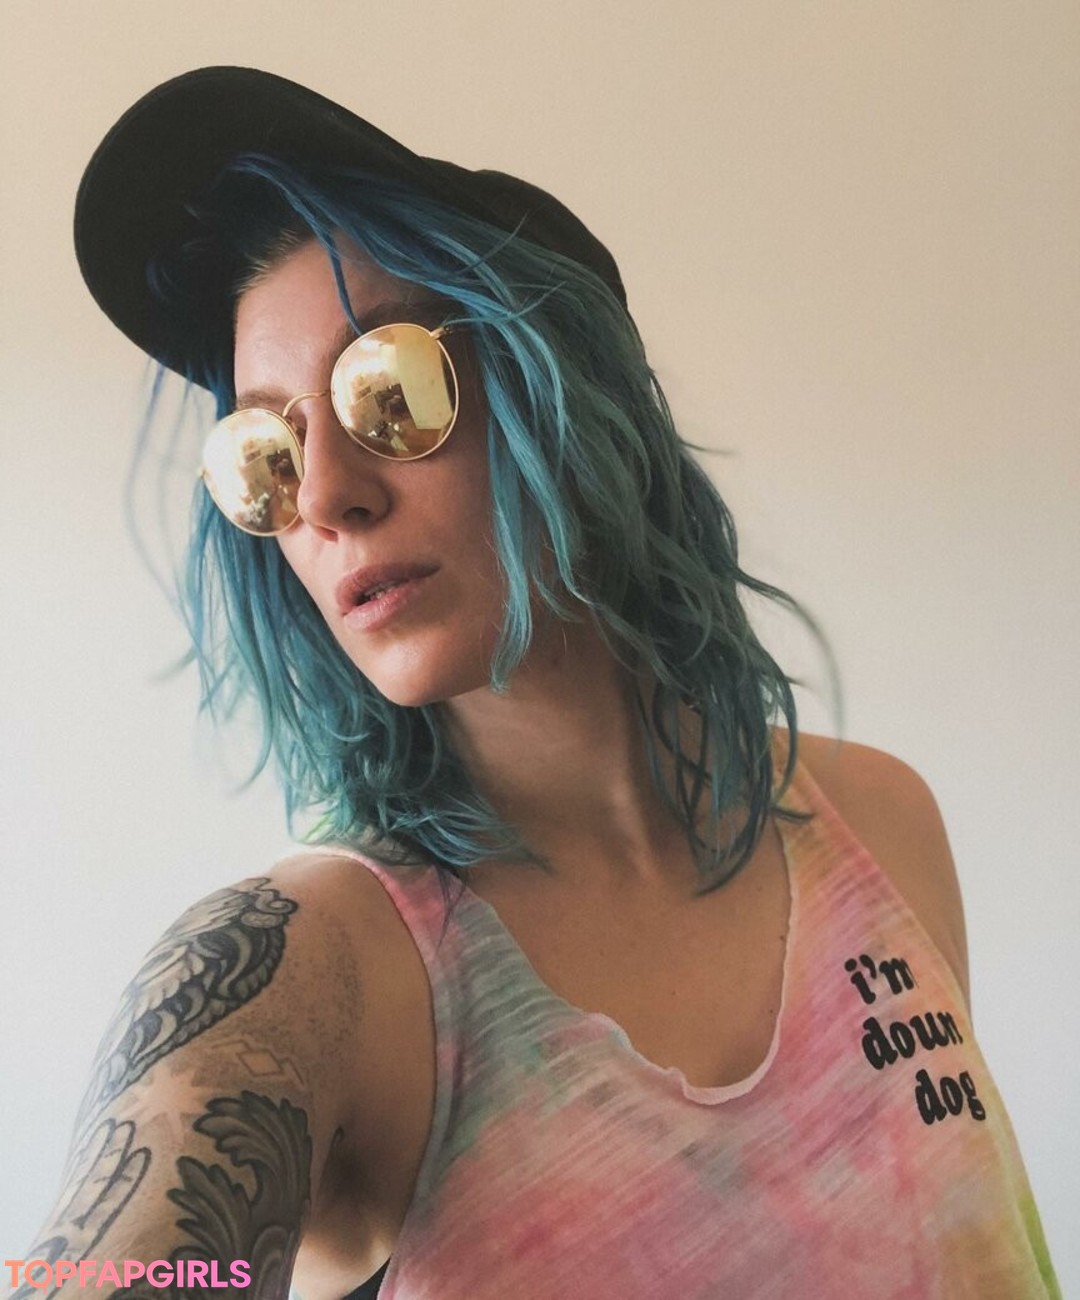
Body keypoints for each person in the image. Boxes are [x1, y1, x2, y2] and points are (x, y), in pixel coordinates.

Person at [14, 66, 1058, 1299]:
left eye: (386, 388)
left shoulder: (882, 826)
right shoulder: (320, 970)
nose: (328, 495)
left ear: (564, 390)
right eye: (265, 454)